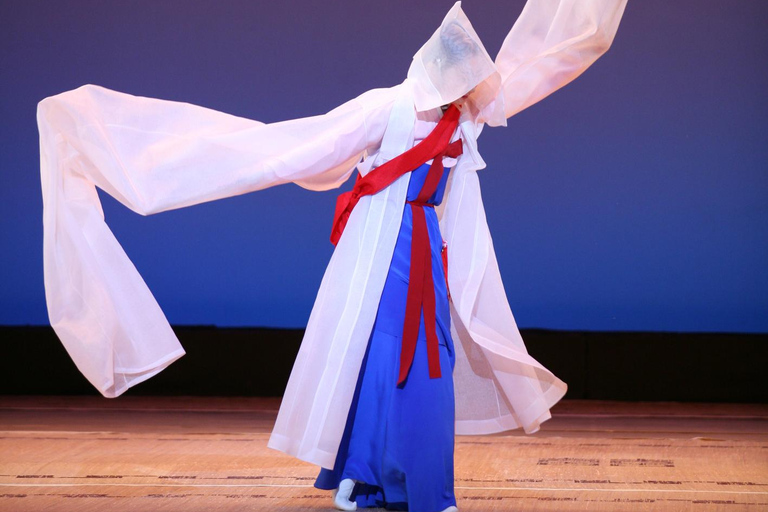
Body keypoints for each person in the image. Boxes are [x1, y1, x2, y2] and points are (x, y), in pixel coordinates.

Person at [36, 1, 628, 511]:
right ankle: (393, 484)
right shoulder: (385, 107)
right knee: (389, 357)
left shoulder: (463, 120)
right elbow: (299, 150)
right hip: (381, 245)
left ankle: (376, 481)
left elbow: (549, 61)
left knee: (412, 358)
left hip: (423, 244)